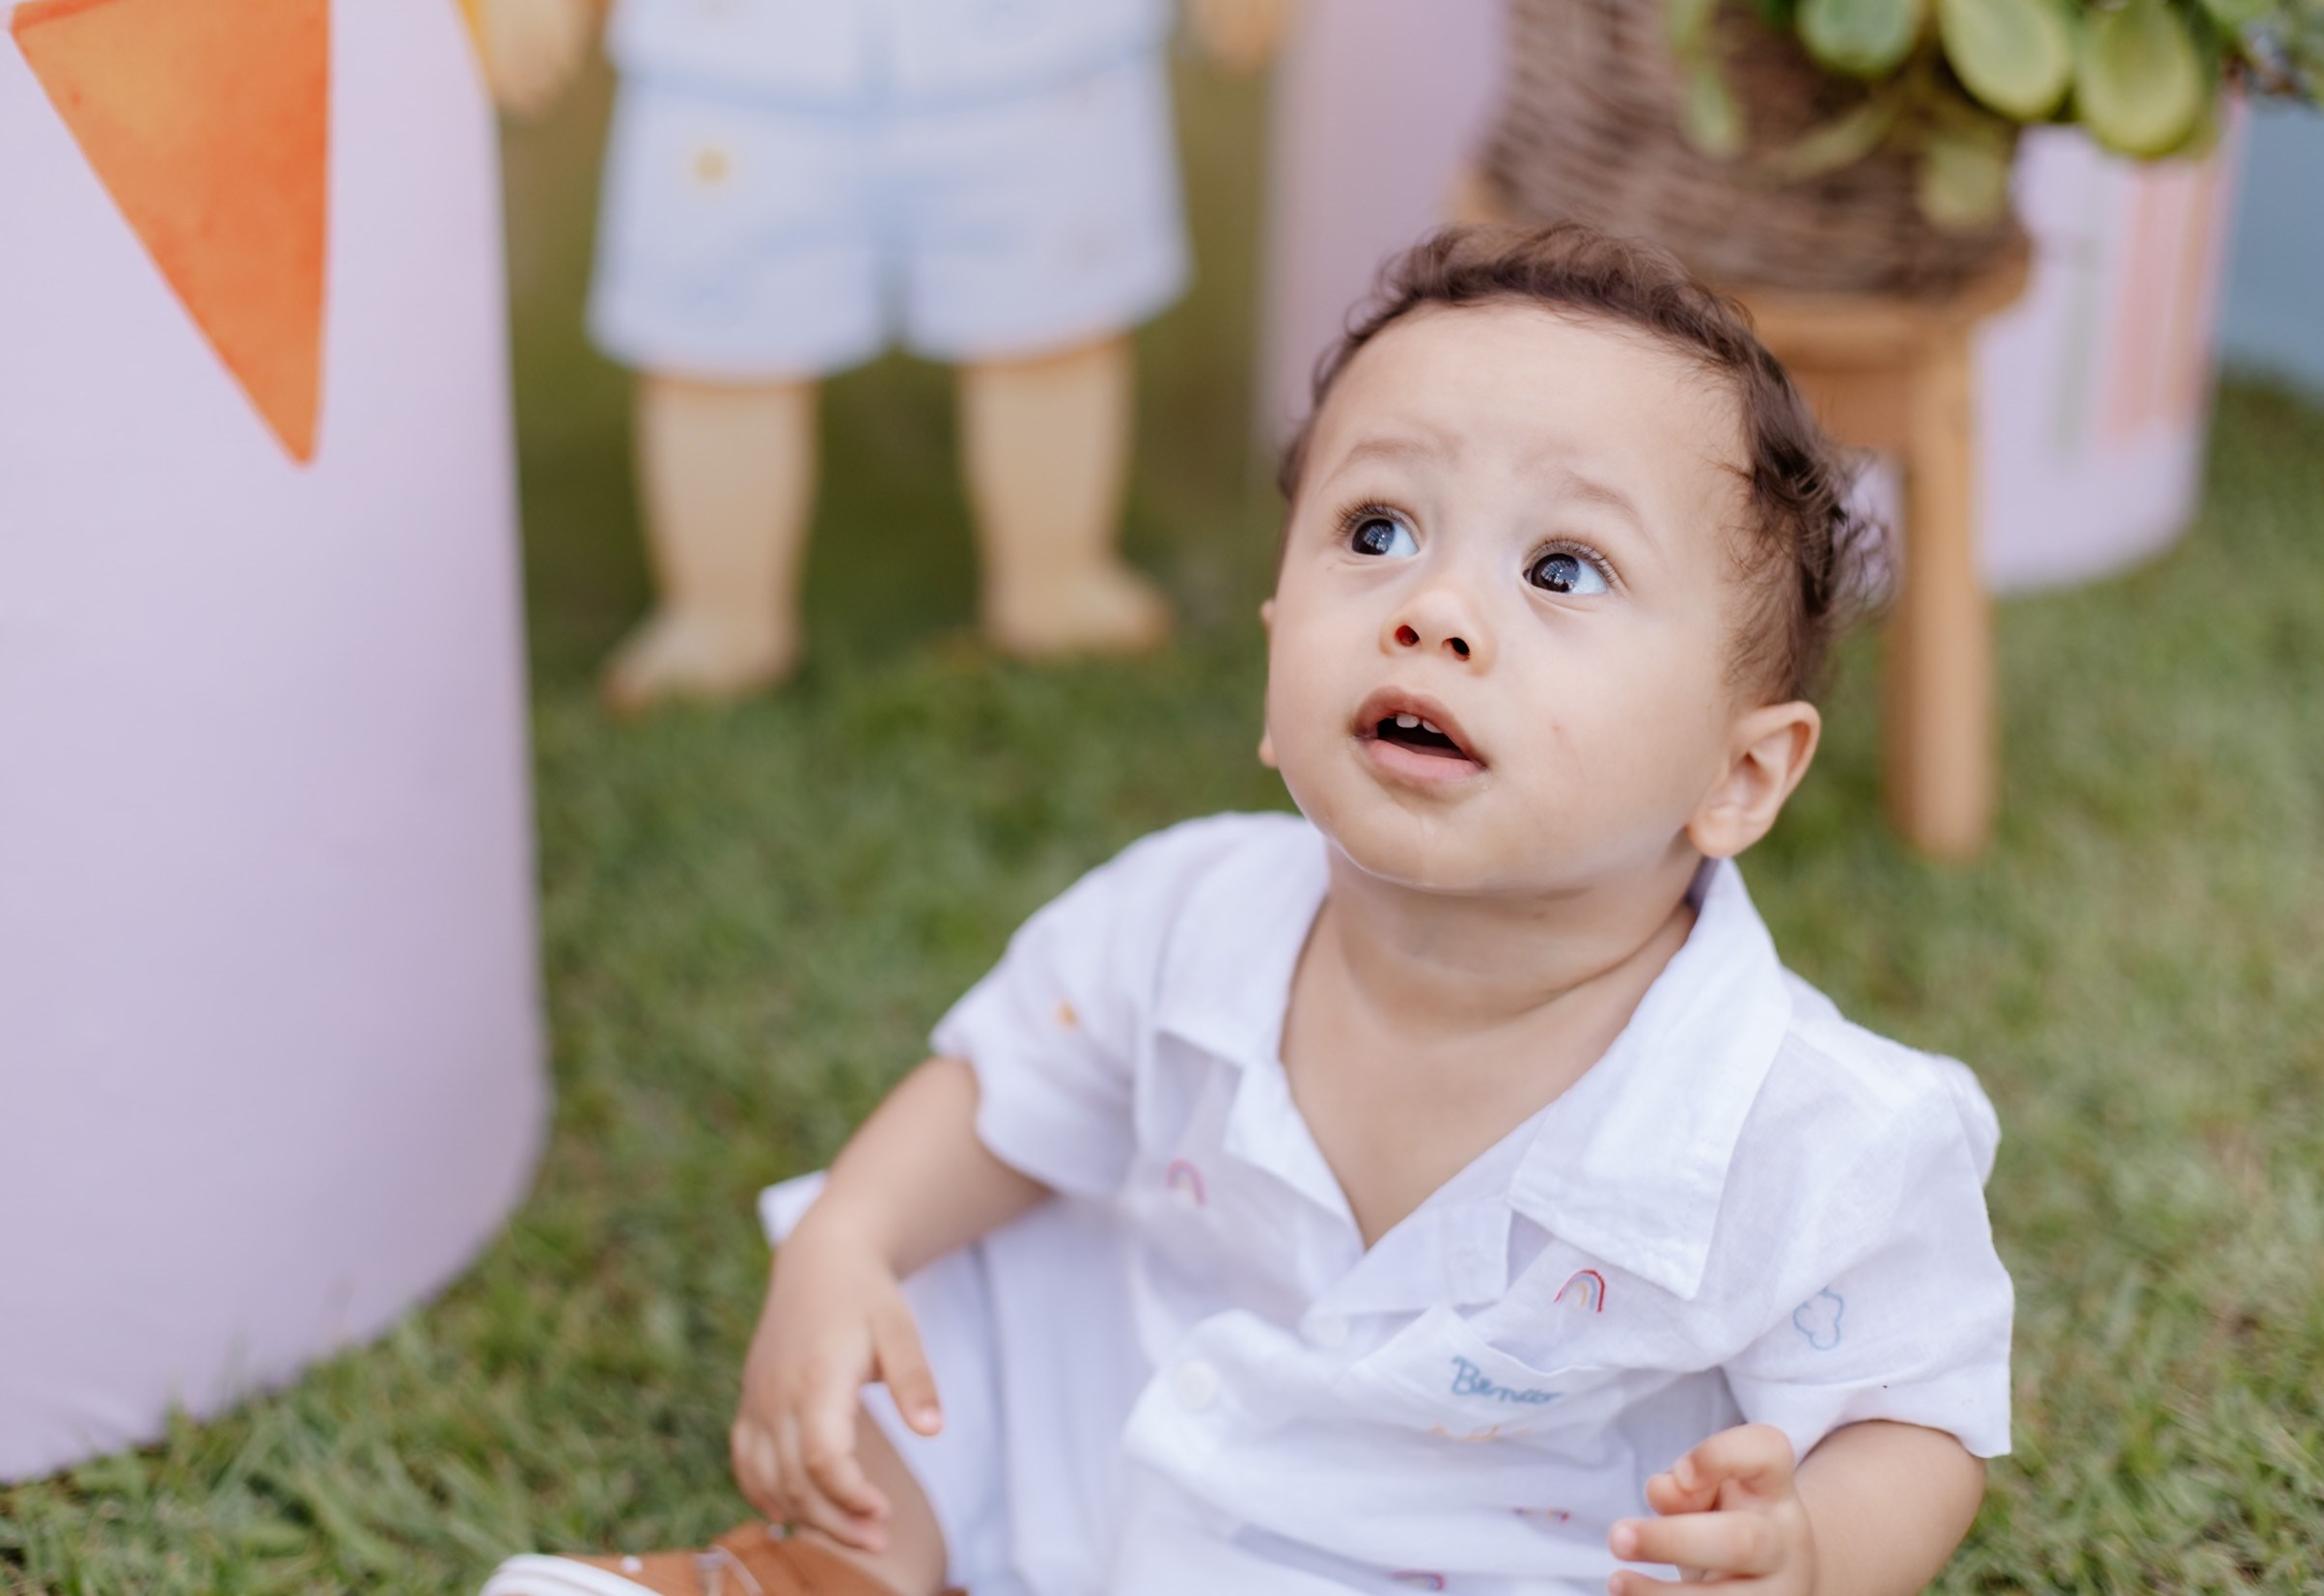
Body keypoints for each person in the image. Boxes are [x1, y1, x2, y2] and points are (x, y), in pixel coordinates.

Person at [481, 224, 2013, 1596]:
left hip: (1494, 1547)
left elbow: (1913, 1413)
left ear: (1741, 775)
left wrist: (1814, 1548)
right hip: (1127, 1418)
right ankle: (824, 1572)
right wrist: (847, 1240)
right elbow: (1002, 1089)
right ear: (1281, 653)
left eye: (1562, 565)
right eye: (1376, 531)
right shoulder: (1191, 909)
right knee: (946, 1276)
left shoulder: (1803, 1125)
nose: (1429, 607)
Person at [476, 0, 1294, 711]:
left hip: (1038, 50)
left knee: (1050, 318)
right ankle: (722, 604)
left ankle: (1055, 570)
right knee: (717, 340)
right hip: (737, 52)